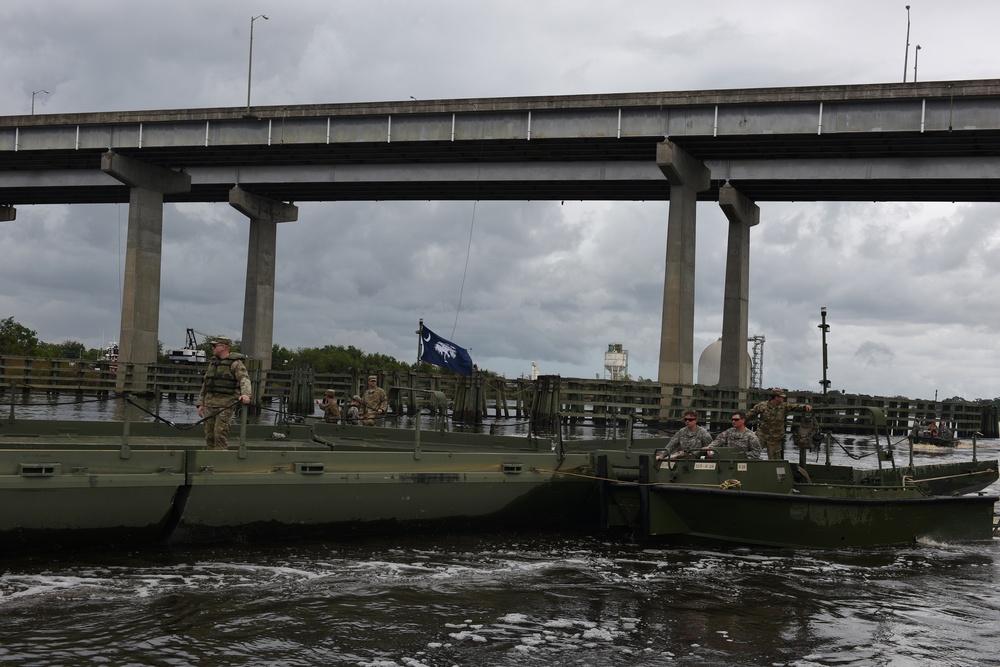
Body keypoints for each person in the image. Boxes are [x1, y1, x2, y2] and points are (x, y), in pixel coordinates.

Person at [196, 336, 252, 450]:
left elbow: (244, 379)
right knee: (209, 435)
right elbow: (206, 384)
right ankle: (211, 460)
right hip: (210, 403)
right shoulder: (213, 364)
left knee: (219, 434)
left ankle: (221, 460)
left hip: (226, 404)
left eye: (215, 346)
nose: (212, 348)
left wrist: (246, 394)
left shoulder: (235, 364)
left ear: (223, 347)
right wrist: (200, 403)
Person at [745, 389, 813, 460]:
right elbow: (750, 415)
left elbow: (795, 406)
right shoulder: (762, 406)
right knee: (752, 454)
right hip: (762, 434)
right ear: (776, 397)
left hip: (776, 437)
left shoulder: (784, 406)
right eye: (782, 397)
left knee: (774, 460)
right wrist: (740, 423)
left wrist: (805, 406)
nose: (783, 398)